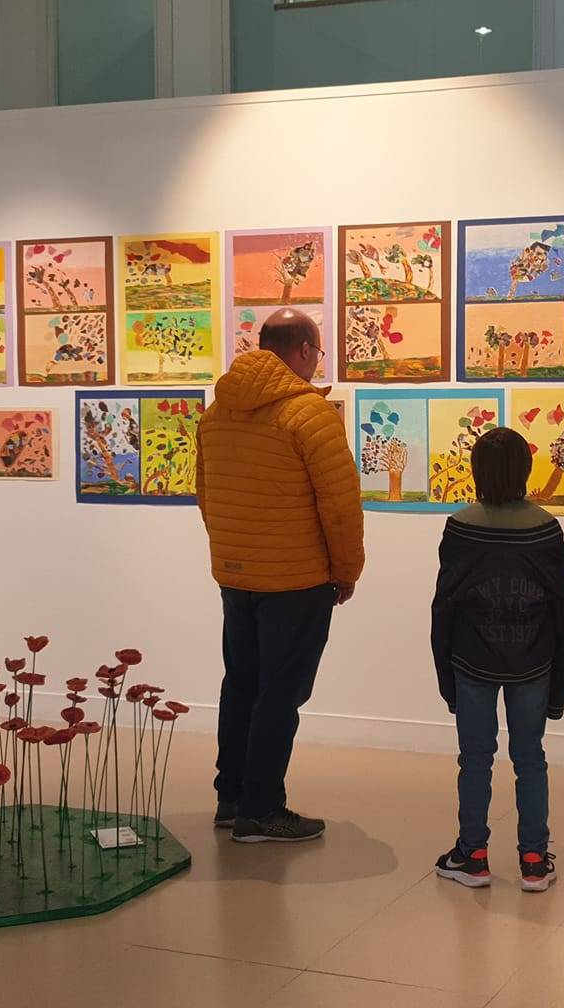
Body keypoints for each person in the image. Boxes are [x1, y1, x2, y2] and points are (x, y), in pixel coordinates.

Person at [196, 310, 364, 843]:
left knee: (240, 684)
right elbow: (339, 507)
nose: (317, 363)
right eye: (316, 353)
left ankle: (231, 796)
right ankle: (262, 808)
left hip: (236, 577)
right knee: (279, 694)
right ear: (303, 350)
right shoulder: (309, 415)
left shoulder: (217, 413)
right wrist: (346, 570)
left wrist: (231, 554)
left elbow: (205, 493)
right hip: (296, 582)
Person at [429, 427, 564, 893]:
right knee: (530, 757)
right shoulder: (545, 528)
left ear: (477, 472)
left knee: (475, 758)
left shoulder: (460, 526)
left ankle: (472, 856)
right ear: (524, 471)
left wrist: (446, 680)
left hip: (470, 660)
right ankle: (534, 860)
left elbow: (444, 606)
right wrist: (561, 689)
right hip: (534, 662)